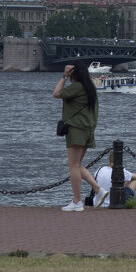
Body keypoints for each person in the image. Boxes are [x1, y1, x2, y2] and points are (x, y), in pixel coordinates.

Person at [53, 61, 102, 211]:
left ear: (74, 72)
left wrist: (64, 76)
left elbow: (56, 93)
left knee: (73, 165)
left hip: (76, 129)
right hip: (87, 129)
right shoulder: (90, 87)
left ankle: (77, 201)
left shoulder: (77, 86)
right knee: (78, 165)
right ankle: (98, 190)